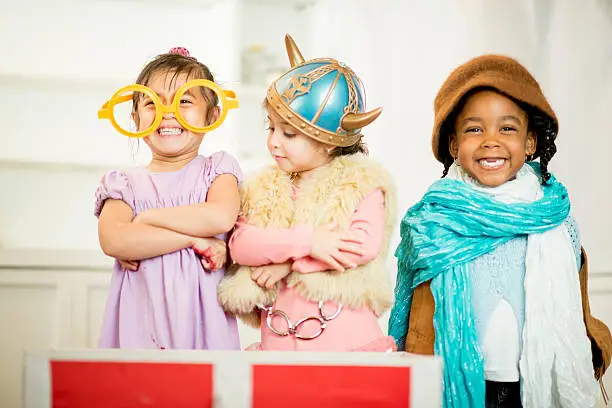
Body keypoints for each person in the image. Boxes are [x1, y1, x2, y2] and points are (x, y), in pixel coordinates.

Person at [388, 54, 611, 408]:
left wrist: (593, 346)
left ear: (530, 143)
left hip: (530, 387)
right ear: (453, 145)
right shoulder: (431, 223)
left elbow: (577, 310)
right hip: (449, 384)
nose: (491, 140)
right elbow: (406, 313)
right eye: (474, 129)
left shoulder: (554, 221)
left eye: (507, 128)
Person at [217, 34, 397, 352]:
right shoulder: (263, 187)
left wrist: (286, 264)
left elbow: (361, 246)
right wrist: (309, 242)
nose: (274, 141)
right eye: (270, 128)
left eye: (288, 133)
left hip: (346, 345)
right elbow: (242, 246)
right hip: (280, 346)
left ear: (329, 141)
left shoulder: (360, 184)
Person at [95, 47, 242, 350]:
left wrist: (146, 220)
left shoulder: (218, 170)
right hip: (139, 326)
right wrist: (193, 241)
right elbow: (114, 241)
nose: (168, 112)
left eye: (185, 100)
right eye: (152, 103)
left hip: (203, 329)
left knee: (205, 394)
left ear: (212, 114)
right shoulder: (124, 184)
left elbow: (219, 217)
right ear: (135, 118)